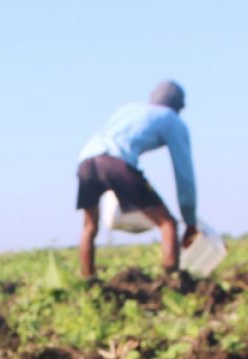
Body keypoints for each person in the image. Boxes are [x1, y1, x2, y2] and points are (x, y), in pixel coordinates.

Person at [76, 80, 198, 280]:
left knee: (89, 226)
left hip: (86, 160)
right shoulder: (172, 120)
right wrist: (190, 220)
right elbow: (184, 173)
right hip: (116, 161)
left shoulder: (130, 109)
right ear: (179, 106)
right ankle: (172, 281)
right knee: (167, 223)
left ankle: (88, 279)